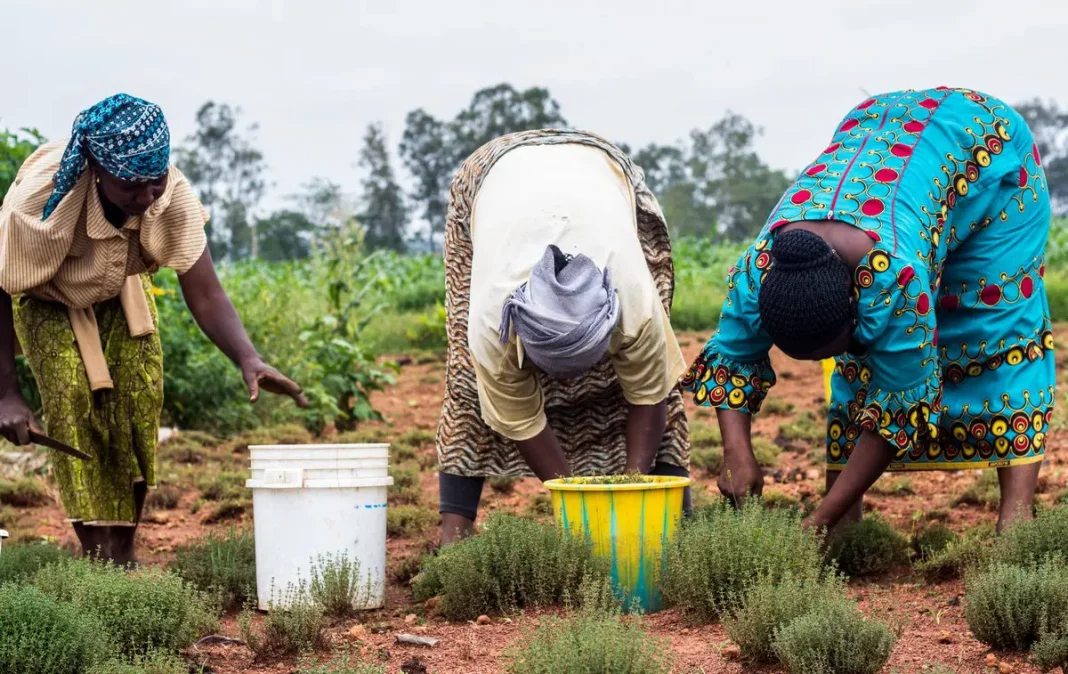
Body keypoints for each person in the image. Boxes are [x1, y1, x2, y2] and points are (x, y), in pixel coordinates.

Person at [683, 87, 1054, 536]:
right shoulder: (759, 269)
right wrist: (735, 454)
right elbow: (733, 357)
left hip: (989, 149)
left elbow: (899, 405)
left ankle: (1016, 519)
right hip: (874, 125)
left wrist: (816, 521)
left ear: (856, 298)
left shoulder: (894, 278)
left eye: (835, 345)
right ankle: (847, 528)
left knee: (994, 324)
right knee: (861, 366)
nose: (830, 360)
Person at [0, 94, 308, 564]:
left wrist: (247, 357)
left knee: (138, 404)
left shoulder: (169, 195)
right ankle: (99, 557)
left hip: (121, 291)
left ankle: (123, 550)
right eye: (131, 186)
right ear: (97, 170)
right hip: (48, 299)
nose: (146, 197)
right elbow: (0, 286)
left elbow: (205, 290)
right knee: (73, 406)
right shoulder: (39, 203)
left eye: (155, 181)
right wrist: (6, 393)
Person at [435, 129, 691, 545]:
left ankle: (673, 525)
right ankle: (454, 538)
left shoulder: (634, 302)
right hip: (489, 174)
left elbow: (650, 396)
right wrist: (581, 513)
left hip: (600, 165)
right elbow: (521, 423)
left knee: (659, 375)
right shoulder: (491, 324)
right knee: (469, 381)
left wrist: (632, 489)